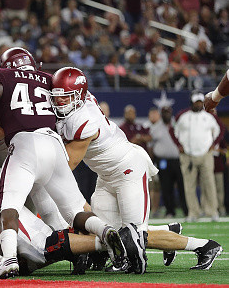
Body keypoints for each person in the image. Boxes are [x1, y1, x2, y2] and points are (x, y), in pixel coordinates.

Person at [0, 49, 125, 279]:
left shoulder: (4, 76)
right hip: (54, 143)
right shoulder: (48, 79)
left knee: (7, 205)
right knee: (74, 209)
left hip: (25, 143)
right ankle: (105, 230)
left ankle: (8, 259)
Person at [49, 67, 158, 274]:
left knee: (134, 233)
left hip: (128, 170)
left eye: (66, 96)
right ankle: (168, 235)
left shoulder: (84, 120)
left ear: (79, 96)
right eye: (58, 96)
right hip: (105, 176)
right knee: (106, 233)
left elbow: (68, 163)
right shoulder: (80, 100)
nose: (60, 101)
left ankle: (140, 256)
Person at [171, 92, 222, 222]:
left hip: (206, 154)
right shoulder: (182, 116)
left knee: (209, 183)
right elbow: (172, 130)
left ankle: (212, 211)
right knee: (189, 185)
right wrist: (178, 145)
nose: (199, 104)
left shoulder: (209, 116)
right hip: (188, 155)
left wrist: (214, 144)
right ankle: (193, 212)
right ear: (192, 103)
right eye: (196, 102)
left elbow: (220, 129)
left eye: (200, 102)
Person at [149, 106, 187, 218]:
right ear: (161, 114)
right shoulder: (155, 128)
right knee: (166, 186)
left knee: (182, 185)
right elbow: (151, 146)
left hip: (177, 160)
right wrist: (152, 161)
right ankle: (170, 211)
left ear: (171, 113)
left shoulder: (177, 125)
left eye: (168, 113)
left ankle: (186, 210)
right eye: (164, 113)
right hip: (163, 161)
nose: (166, 115)